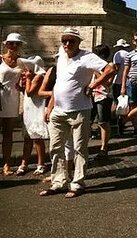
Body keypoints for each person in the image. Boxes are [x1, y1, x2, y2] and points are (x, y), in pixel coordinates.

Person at [40, 28, 114, 197]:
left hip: (79, 110)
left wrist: (93, 85)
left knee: (80, 148)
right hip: (58, 110)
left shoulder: (87, 57)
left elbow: (110, 69)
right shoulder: (61, 55)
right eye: (64, 40)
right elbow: (58, 84)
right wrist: (50, 107)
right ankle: (58, 182)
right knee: (55, 148)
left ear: (79, 42)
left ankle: (77, 183)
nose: (67, 44)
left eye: (71, 41)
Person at [1, 34, 46, 176]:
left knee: (8, 133)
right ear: (6, 44)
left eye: (17, 44)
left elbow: (34, 73)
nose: (14, 46)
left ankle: (7, 164)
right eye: (11, 43)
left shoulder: (23, 62)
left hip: (13, 99)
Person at [16, 56, 48, 176]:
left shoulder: (39, 76)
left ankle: (41, 163)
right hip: (29, 107)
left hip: (36, 108)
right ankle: (24, 162)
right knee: (28, 136)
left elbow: (29, 92)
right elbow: (25, 91)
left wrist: (28, 79)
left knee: (37, 138)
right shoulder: (31, 76)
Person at [90, 45, 114, 160]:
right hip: (91, 95)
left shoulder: (110, 66)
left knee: (103, 122)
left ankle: (104, 147)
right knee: (88, 121)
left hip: (104, 96)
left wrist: (96, 73)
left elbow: (108, 82)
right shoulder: (93, 65)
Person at [110, 39, 129, 116]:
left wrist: (111, 79)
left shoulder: (118, 54)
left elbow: (116, 68)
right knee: (125, 101)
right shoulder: (129, 54)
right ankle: (123, 117)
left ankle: (113, 117)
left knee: (115, 100)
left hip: (117, 81)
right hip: (127, 81)